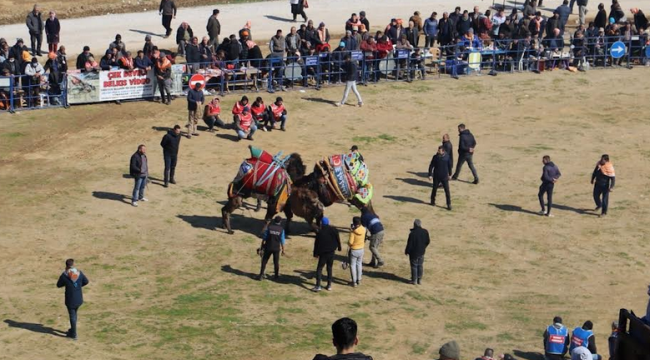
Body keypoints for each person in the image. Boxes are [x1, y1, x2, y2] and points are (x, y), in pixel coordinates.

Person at [56, 259, 89, 340]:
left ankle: (73, 334)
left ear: (66, 265)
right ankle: (72, 330)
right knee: (74, 314)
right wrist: (78, 286)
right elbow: (86, 281)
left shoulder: (65, 275)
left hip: (70, 299)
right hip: (79, 298)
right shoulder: (79, 273)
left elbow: (58, 285)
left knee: (72, 316)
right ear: (73, 264)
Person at [311, 217, 341, 292]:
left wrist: (315, 253)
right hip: (331, 252)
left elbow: (316, 244)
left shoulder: (320, 232)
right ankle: (329, 285)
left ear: (321, 223)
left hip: (323, 253)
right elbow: (337, 238)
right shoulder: (334, 230)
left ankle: (318, 285)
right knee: (329, 268)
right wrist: (339, 247)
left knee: (319, 268)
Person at [256, 216, 285, 280]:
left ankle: (261, 274)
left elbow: (264, 238)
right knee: (276, 262)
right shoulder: (281, 230)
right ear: (280, 222)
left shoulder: (269, 228)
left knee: (264, 261)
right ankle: (276, 276)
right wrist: (283, 250)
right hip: (276, 248)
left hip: (268, 247)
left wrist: (261, 247)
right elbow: (282, 241)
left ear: (274, 221)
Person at [404, 219, 430, 285]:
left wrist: (407, 251)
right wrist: (423, 247)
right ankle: (419, 279)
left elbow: (409, 244)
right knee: (420, 265)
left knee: (414, 266)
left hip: (414, 253)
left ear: (414, 225)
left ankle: (414, 280)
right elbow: (428, 241)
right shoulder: (425, 231)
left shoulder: (412, 234)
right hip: (421, 252)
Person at [428, 145, 453, 210]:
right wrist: (430, 175)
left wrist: (450, 174)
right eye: (438, 150)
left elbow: (449, 166)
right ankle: (432, 201)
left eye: (439, 150)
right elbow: (431, 166)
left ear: (443, 151)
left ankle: (449, 204)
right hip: (436, 176)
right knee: (434, 189)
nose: (438, 151)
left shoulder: (447, 157)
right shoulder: (435, 157)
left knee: (447, 191)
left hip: (444, 177)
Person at [348, 217, 366, 287]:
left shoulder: (353, 232)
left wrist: (351, 231)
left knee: (352, 265)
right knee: (359, 264)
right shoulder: (364, 229)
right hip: (361, 249)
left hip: (354, 249)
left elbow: (350, 242)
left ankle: (354, 281)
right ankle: (359, 279)